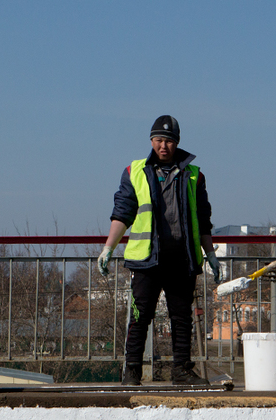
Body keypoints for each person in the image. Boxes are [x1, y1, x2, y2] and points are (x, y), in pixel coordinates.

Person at [98, 115, 222, 386]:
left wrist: (210, 253)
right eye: (158, 140)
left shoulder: (194, 174)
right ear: (151, 141)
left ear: (176, 143)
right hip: (146, 260)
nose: (163, 145)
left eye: (168, 141)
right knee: (141, 315)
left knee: (181, 318)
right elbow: (123, 213)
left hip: (181, 258)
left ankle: (181, 370)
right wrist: (108, 248)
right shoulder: (135, 171)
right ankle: (131, 370)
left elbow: (203, 218)